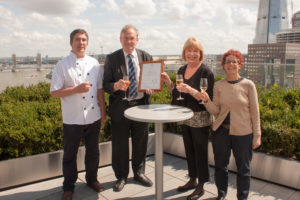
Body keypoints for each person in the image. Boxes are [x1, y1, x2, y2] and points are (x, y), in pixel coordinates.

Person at [197, 49, 261, 200]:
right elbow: (216, 110)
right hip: (221, 133)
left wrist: (257, 135)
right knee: (220, 166)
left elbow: (255, 112)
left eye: (234, 61)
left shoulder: (248, 85)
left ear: (240, 65)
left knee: (244, 169)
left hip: (244, 134)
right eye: (228, 62)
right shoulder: (219, 85)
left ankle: (242, 197)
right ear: (223, 66)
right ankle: (221, 194)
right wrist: (206, 101)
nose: (231, 64)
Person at [50, 29, 106, 200]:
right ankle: (68, 187)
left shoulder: (95, 63)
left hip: (93, 116)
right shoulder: (62, 65)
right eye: (77, 40)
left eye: (83, 40)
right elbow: (54, 92)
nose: (81, 43)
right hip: (72, 118)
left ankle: (91, 179)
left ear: (87, 43)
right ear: (71, 43)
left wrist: (103, 112)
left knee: (93, 152)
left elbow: (99, 90)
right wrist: (75, 89)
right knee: (69, 154)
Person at [162, 37, 214, 200]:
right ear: (184, 53)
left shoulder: (206, 72)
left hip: (200, 118)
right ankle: (192, 179)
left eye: (195, 51)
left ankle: (201, 185)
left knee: (200, 152)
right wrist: (168, 83)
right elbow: (176, 94)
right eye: (189, 51)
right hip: (184, 116)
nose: (192, 54)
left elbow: (207, 98)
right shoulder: (181, 70)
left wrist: (190, 89)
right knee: (189, 150)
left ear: (200, 53)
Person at [103, 24, 154, 192]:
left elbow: (152, 81)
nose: (129, 41)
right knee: (120, 144)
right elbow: (105, 85)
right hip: (120, 107)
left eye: (132, 38)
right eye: (125, 38)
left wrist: (151, 87)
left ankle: (139, 173)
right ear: (120, 39)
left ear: (137, 40)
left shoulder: (146, 56)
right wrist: (116, 86)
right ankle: (121, 176)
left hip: (141, 106)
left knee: (141, 141)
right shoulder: (112, 58)